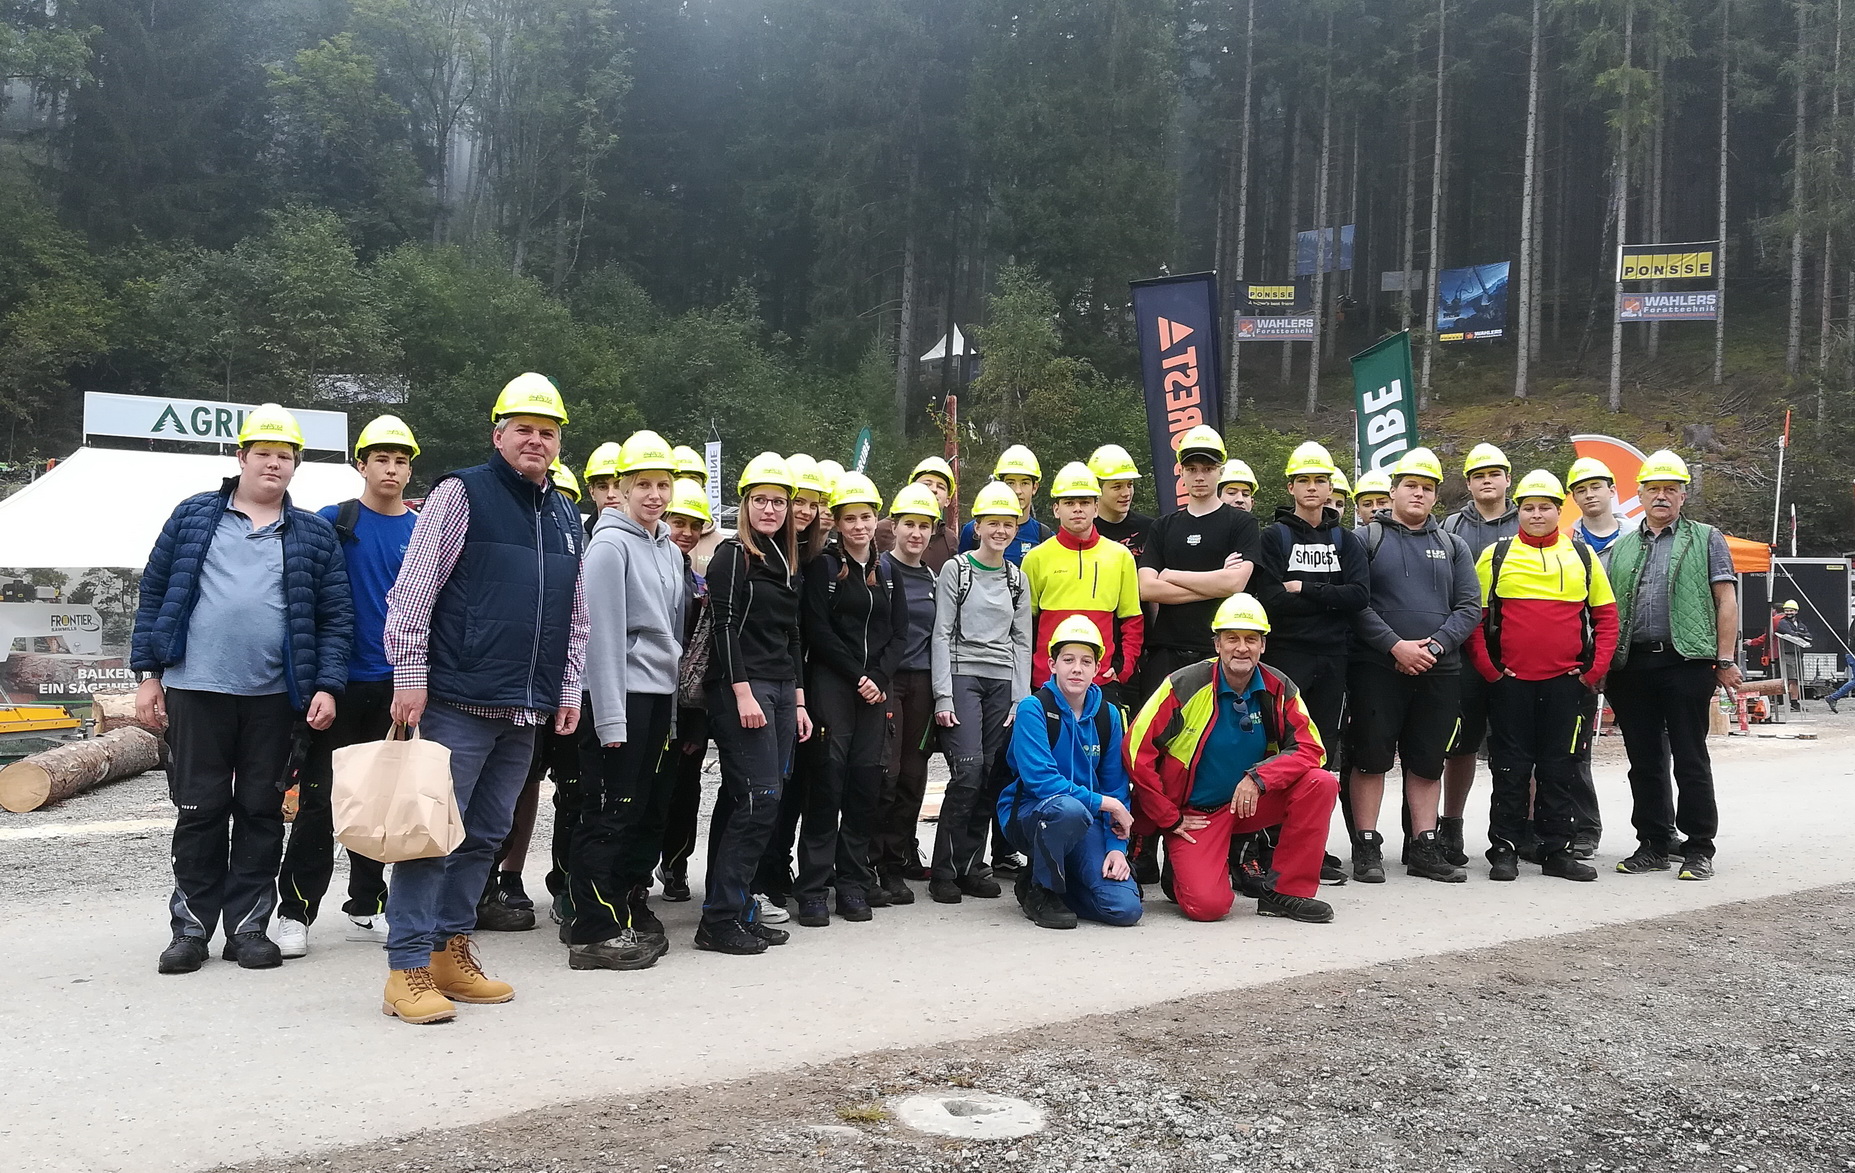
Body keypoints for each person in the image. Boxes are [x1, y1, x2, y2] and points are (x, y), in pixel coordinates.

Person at [377, 374, 588, 1024]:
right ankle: (406, 968)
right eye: (523, 428)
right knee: (429, 835)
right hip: (456, 699)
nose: (534, 439)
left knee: (486, 834)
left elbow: (573, 613)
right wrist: (409, 671)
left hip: (522, 708)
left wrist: (568, 685)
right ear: (498, 434)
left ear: (556, 443)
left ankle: (449, 951)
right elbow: (412, 588)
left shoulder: (562, 514)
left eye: (545, 431)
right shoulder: (460, 492)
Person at [136, 404, 353, 975]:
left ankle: (249, 929)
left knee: (259, 810)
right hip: (194, 688)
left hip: (275, 697)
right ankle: (190, 929)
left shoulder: (312, 534)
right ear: (242, 457)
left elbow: (335, 618)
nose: (274, 464)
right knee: (199, 810)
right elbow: (155, 594)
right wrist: (149, 675)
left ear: (296, 465)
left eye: (285, 456)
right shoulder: (193, 517)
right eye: (264, 454)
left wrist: (327, 685)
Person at [272, 415, 420, 958]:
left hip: (397, 687)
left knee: (382, 804)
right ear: (361, 464)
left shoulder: (421, 528)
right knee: (320, 801)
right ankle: (294, 913)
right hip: (338, 683)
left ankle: (367, 903)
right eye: (381, 458)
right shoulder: (335, 520)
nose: (392, 468)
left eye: (401, 460)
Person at [1125, 594, 1339, 924]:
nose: (1242, 648)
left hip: (1247, 804)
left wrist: (1260, 777)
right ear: (1217, 644)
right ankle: (1179, 870)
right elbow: (1135, 751)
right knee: (1209, 908)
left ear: (1263, 646)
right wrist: (1169, 818)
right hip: (1196, 815)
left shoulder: (1278, 687)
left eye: (1251, 639)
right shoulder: (1184, 685)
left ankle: (1285, 892)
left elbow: (1313, 748)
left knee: (1320, 783)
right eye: (1232, 639)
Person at [566, 431, 687, 971]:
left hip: (658, 696)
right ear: (621, 488)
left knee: (640, 810)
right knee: (609, 812)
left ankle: (621, 914)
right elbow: (603, 636)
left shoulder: (664, 545)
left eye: (664, 485)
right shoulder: (609, 546)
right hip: (621, 698)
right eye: (644, 485)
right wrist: (610, 716)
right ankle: (591, 929)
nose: (656, 495)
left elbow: (672, 634)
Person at [1463, 471, 1618, 883]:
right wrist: (1491, 672)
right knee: (1510, 770)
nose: (1536, 514)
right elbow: (1473, 621)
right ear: (1518, 510)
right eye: (1528, 507)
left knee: (1560, 769)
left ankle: (1556, 850)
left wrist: (1592, 673)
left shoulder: (1582, 557)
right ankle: (1505, 849)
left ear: (1558, 509)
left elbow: (1607, 619)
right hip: (1510, 685)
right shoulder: (1495, 556)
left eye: (1545, 507)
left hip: (1567, 686)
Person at [1344, 448, 1481, 885]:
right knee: (1371, 758)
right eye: (1411, 486)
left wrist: (1435, 648)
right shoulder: (1366, 539)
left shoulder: (1453, 545)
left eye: (1427, 488)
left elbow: (1469, 607)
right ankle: (1366, 845)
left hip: (1439, 670)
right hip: (1377, 667)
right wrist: (1395, 647)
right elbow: (1355, 603)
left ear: (1436, 495)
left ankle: (1424, 846)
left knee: (1427, 762)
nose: (1418, 493)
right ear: (1393, 491)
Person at [1604, 450, 1740, 882]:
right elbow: (1606, 611)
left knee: (1690, 757)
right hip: (1632, 667)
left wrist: (1725, 659)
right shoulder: (1620, 548)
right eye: (1653, 489)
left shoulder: (1707, 538)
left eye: (1670, 490)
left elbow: (1726, 601)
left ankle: (1699, 847)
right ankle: (1654, 844)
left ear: (1683, 496)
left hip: (1687, 663)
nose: (1661, 497)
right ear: (1639, 495)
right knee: (1643, 760)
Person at [701, 453, 811, 953]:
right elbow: (723, 627)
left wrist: (800, 700)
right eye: (760, 500)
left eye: (778, 501)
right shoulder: (732, 555)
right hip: (742, 689)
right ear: (745, 504)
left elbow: (792, 633)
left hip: (782, 689)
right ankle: (717, 919)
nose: (770, 508)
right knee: (759, 797)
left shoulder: (784, 559)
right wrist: (742, 691)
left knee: (757, 796)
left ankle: (739, 904)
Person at [1251, 441, 1369, 886]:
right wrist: (1324, 598)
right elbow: (1272, 601)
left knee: (1321, 753)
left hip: (1332, 659)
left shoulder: (1346, 540)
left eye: (1321, 480)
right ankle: (1270, 843)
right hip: (1288, 657)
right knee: (1281, 748)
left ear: (1331, 486)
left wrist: (1306, 589)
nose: (1313, 487)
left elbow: (1360, 596)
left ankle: (1310, 846)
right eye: (1305, 480)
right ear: (1291, 486)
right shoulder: (1274, 537)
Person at [795, 472, 905, 926]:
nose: (859, 526)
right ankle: (814, 889)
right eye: (849, 519)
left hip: (874, 691)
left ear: (875, 518)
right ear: (836, 523)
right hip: (832, 686)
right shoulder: (823, 567)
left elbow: (899, 634)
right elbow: (816, 630)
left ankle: (853, 883)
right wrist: (857, 674)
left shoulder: (889, 572)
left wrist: (878, 676)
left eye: (865, 517)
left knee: (864, 786)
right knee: (827, 785)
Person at [999, 615, 1142, 929]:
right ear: (1052, 664)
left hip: (1085, 817)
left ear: (1096, 668)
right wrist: (1108, 804)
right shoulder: (1032, 709)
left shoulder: (1108, 716)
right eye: (1068, 660)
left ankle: (1062, 883)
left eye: (1086, 661)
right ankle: (1041, 889)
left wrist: (1117, 849)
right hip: (1032, 815)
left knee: (1125, 909)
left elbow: (1116, 786)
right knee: (1068, 809)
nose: (1077, 668)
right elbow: (1042, 781)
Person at [931, 481, 1034, 902]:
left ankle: (973, 867)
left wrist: (1019, 699)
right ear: (978, 526)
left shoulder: (1017, 579)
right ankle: (943, 871)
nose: (1001, 531)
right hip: (962, 678)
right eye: (993, 523)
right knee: (968, 772)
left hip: (1002, 683)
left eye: (1009, 524)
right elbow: (940, 633)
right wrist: (942, 695)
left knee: (991, 775)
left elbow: (1022, 639)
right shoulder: (957, 570)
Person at [753, 453, 833, 922]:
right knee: (770, 781)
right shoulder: (769, 549)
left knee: (798, 779)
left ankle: (777, 867)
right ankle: (761, 872)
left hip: (804, 681)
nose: (802, 510)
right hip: (775, 676)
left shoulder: (817, 555)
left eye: (810, 502)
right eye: (796, 501)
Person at [1434, 443, 1520, 869]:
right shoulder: (1450, 526)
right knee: (1460, 745)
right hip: (1464, 650)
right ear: (1468, 483)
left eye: (1494, 473)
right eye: (1478, 475)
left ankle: (1521, 827)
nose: (1487, 481)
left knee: (1518, 744)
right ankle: (1451, 823)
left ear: (1508, 479)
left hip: (1516, 651)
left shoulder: (1530, 521)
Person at [1137, 426, 1261, 696]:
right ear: (1181, 472)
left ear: (1220, 471)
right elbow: (1147, 588)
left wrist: (1170, 574)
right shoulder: (1163, 526)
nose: (1200, 476)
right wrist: (1215, 581)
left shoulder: (1242, 523)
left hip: (1219, 650)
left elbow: (1235, 583)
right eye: (1192, 469)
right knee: (1159, 734)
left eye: (1207, 468)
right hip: (1167, 650)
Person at [1021, 462, 1144, 712]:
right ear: (1056, 509)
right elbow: (1024, 625)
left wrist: (1124, 668)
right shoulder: (1036, 558)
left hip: (1101, 680)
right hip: (1047, 681)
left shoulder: (1120, 556)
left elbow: (1132, 620)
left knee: (1103, 750)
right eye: (1069, 503)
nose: (1077, 509)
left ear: (1096, 507)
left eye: (1085, 502)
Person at [870, 484, 943, 903]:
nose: (916, 533)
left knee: (915, 777)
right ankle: (871, 860)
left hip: (923, 684)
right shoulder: (879, 571)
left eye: (923, 526)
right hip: (889, 682)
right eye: (909, 524)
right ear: (893, 526)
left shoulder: (933, 578)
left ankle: (896, 862)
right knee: (887, 772)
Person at [1563, 456, 1635, 855]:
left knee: (1649, 751)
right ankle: (1584, 829)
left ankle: (1661, 833)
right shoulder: (1567, 544)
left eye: (1596, 486)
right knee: (1577, 749)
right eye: (1581, 489)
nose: (1589, 494)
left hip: (1633, 655)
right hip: (1583, 659)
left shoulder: (1638, 538)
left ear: (1612, 490)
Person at [655, 479, 716, 903]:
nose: (686, 532)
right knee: (650, 790)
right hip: (650, 699)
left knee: (686, 790)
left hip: (688, 706)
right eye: (679, 522)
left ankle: (675, 865)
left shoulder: (701, 583)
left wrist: (696, 723)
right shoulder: (650, 569)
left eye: (695, 526)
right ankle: (638, 872)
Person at [960, 445, 1054, 564]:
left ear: (1034, 488)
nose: (1017, 490)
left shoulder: (1044, 536)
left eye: (1024, 483)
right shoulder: (973, 531)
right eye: (1010, 483)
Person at [874, 456, 959, 572]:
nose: (934, 489)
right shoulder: (880, 530)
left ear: (948, 500)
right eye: (927, 484)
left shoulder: (950, 540)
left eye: (940, 486)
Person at [1088, 444, 1156, 558]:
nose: (1126, 493)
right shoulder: (1084, 533)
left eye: (1129, 485)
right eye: (1117, 487)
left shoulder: (1151, 529)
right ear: (1097, 489)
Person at [1568, 457, 1637, 556]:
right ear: (1574, 498)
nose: (1589, 495)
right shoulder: (1566, 539)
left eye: (1595, 488)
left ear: (1612, 490)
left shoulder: (1636, 535)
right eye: (1581, 491)